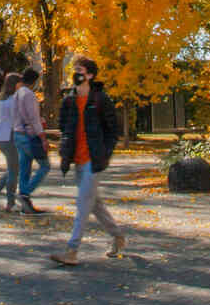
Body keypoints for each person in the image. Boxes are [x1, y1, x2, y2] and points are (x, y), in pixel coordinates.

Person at [51, 57, 125, 266]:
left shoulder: (101, 99)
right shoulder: (69, 100)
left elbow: (112, 131)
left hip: (94, 159)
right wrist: (65, 153)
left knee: (83, 203)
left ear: (90, 75)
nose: (76, 73)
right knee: (94, 204)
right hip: (78, 160)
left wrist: (104, 153)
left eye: (80, 70)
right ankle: (118, 236)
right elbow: (65, 129)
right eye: (75, 70)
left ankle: (72, 250)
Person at [11, 66, 49, 214]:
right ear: (33, 81)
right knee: (45, 165)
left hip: (17, 134)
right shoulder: (29, 95)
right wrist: (43, 137)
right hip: (28, 135)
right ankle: (25, 193)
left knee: (25, 167)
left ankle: (26, 205)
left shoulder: (16, 94)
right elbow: (33, 119)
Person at [0, 72, 22, 210]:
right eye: (20, 83)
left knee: (12, 165)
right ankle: (10, 202)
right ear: (15, 84)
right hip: (9, 137)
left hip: (0, 137)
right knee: (14, 169)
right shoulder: (13, 100)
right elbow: (16, 118)